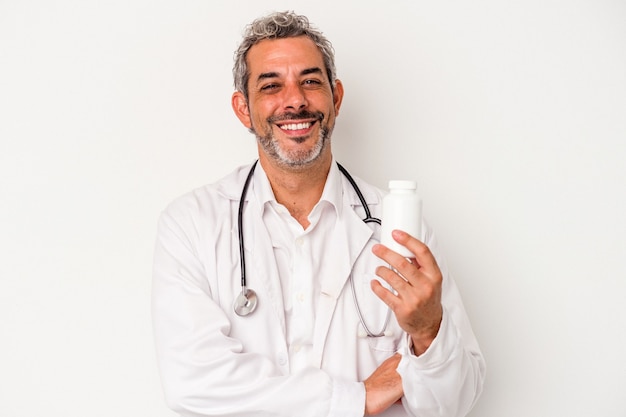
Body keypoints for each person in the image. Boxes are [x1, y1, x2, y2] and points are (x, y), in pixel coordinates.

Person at [152, 10, 485, 417]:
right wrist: (357, 398)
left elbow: (453, 405)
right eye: (271, 86)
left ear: (336, 98)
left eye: (310, 81)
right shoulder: (192, 224)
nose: (295, 101)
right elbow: (194, 385)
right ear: (244, 109)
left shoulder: (400, 229)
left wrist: (429, 331)